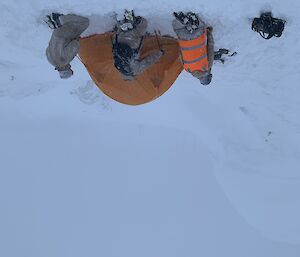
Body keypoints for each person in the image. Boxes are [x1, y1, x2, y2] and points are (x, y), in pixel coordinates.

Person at [112, 10, 164, 80]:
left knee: (143, 24)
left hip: (133, 43)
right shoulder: (118, 65)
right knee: (122, 31)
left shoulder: (134, 71)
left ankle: (135, 21)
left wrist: (159, 53)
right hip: (119, 39)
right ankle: (122, 22)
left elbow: (148, 61)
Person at [172, 12, 214, 85]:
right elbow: (180, 52)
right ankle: (182, 23)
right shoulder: (188, 69)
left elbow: (210, 47)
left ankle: (193, 23)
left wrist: (209, 32)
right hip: (184, 39)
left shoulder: (207, 66)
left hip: (197, 37)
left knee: (201, 26)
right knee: (177, 27)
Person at [45, 13, 89, 79]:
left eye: (70, 68)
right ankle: (57, 23)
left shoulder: (64, 60)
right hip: (55, 33)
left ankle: (61, 19)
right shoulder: (50, 60)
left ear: (67, 70)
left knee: (85, 22)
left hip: (65, 34)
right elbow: (47, 49)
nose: (70, 66)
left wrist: (77, 41)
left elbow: (75, 44)